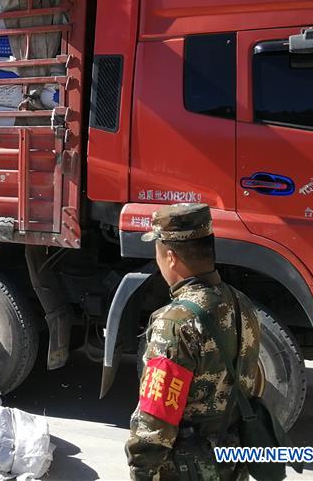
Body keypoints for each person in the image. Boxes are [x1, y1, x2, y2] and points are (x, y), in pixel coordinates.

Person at [126, 203, 262, 480]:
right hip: (232, 461)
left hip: (187, 469)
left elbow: (157, 416)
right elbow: (254, 381)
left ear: (171, 257)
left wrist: (141, 470)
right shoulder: (241, 302)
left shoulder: (174, 323)